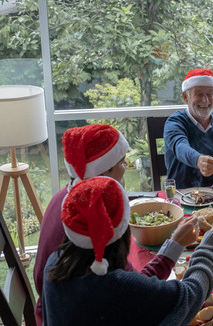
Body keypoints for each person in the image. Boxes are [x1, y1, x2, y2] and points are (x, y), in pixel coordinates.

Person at [33, 124, 189, 325]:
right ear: (104, 171)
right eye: (122, 162)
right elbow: (134, 289)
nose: (125, 167)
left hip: (54, 307)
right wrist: (175, 246)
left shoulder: (64, 200)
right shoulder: (94, 223)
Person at [42, 176, 213, 325]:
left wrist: (174, 245)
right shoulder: (117, 286)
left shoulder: (56, 263)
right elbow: (189, 296)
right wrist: (209, 247)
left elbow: (138, 290)